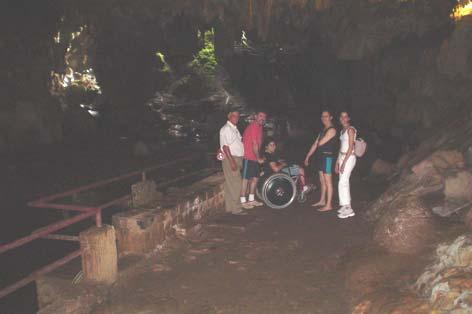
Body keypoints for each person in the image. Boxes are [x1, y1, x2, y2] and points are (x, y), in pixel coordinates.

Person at [304, 110, 337, 212]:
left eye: (326, 116)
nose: (324, 118)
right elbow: (315, 144)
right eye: (322, 116)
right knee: (322, 181)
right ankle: (322, 201)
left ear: (331, 117)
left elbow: (320, 143)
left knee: (328, 182)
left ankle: (329, 205)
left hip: (327, 158)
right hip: (320, 157)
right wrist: (307, 156)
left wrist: (318, 142)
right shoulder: (323, 130)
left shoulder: (332, 130)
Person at [220, 111, 245, 215]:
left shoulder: (233, 128)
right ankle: (236, 208)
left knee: (230, 184)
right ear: (229, 116)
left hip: (236, 158)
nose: (236, 117)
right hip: (231, 159)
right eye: (234, 115)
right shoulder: (226, 129)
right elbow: (225, 147)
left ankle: (230, 207)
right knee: (237, 184)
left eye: (238, 116)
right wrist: (232, 162)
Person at [240, 111, 267, 209]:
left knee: (255, 178)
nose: (262, 118)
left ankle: (251, 199)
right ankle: (243, 201)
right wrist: (258, 158)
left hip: (254, 157)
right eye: (260, 116)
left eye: (264, 117)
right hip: (248, 157)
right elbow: (254, 144)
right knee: (245, 179)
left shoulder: (259, 128)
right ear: (256, 116)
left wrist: (258, 157)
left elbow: (258, 145)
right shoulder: (254, 126)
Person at [336, 110, 357, 219]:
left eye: (345, 116)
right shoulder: (342, 131)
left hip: (349, 157)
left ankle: (348, 208)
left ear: (348, 118)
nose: (343, 118)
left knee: (343, 181)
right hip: (342, 157)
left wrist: (344, 163)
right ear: (340, 119)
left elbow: (350, 148)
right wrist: (337, 162)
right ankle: (345, 205)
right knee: (342, 181)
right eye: (341, 117)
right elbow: (341, 148)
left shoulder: (351, 130)